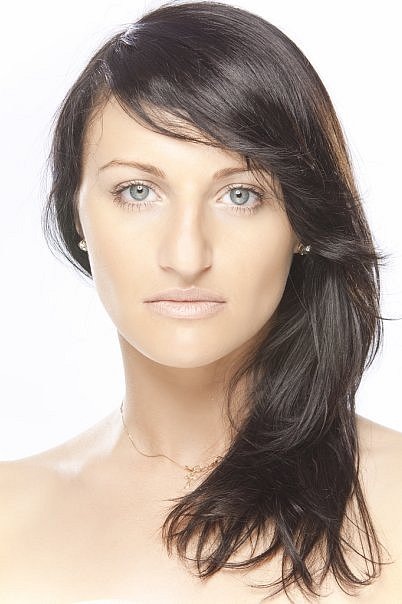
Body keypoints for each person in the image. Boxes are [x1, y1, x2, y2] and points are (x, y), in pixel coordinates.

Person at [1, 1, 401, 602]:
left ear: (302, 223)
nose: (187, 256)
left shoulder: (393, 498)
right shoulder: (10, 516)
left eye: (240, 195)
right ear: (76, 215)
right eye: (137, 191)